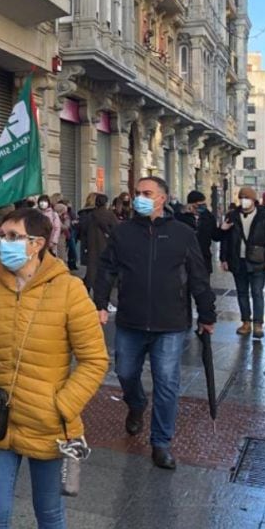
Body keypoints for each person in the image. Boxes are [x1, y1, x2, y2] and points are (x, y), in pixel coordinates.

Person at [0, 208, 107, 529]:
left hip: (48, 421)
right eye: (2, 236)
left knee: (49, 510)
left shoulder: (70, 289)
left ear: (37, 244)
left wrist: (62, 405)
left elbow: (94, 360)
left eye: (12, 237)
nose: (3, 243)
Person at [94, 176, 215, 470]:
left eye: (147, 193)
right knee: (124, 372)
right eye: (137, 193)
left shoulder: (182, 233)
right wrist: (99, 303)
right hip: (131, 319)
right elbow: (106, 267)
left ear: (162, 198)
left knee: (166, 382)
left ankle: (161, 442)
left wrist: (207, 314)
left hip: (170, 322)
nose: (140, 198)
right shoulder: (124, 233)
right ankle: (136, 404)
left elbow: (198, 276)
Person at [217, 187, 265, 338]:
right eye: (241, 198)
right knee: (242, 293)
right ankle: (245, 322)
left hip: (258, 261)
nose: (243, 201)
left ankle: (258, 324)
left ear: (254, 200)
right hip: (237, 261)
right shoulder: (232, 215)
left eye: (247, 198)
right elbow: (224, 239)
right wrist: (223, 258)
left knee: (257, 293)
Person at [79, 194, 117, 293]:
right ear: (106, 203)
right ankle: (100, 295)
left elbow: (83, 229)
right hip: (105, 244)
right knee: (103, 271)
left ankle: (85, 291)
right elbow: (116, 229)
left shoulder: (90, 215)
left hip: (92, 245)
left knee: (92, 269)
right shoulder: (109, 215)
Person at [176, 190, 218, 274]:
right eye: (199, 204)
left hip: (203, 257)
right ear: (191, 204)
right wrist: (182, 213)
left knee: (203, 285)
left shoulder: (208, 217)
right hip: (185, 258)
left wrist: (223, 230)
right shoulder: (180, 217)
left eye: (203, 204)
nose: (202, 206)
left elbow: (215, 236)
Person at [36, 195, 63, 259]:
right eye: (41, 202)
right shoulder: (35, 213)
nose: (42, 203)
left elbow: (57, 228)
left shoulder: (54, 214)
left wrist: (54, 241)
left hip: (50, 243)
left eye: (44, 201)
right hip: (38, 241)